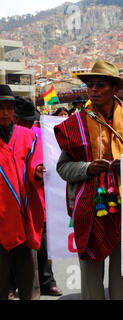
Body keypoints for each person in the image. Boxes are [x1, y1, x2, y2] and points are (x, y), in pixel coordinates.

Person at [54, 60, 123, 300]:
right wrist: (88, 168)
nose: (94, 90)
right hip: (88, 209)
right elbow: (63, 167)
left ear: (115, 89)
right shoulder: (76, 123)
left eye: (100, 85)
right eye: (91, 85)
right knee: (90, 276)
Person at [13, 97, 63, 297]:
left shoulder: (39, 133)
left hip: (38, 197)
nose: (28, 124)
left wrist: (39, 170)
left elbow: (48, 159)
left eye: (30, 121)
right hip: (12, 200)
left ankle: (46, 280)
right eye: (23, 121)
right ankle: (10, 284)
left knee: (43, 242)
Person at [0, 85, 45, 300]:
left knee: (29, 282)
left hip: (25, 217)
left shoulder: (28, 137)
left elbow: (36, 163)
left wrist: (37, 172)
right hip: (1, 220)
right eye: (0, 108)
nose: (4, 112)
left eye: (9, 108)